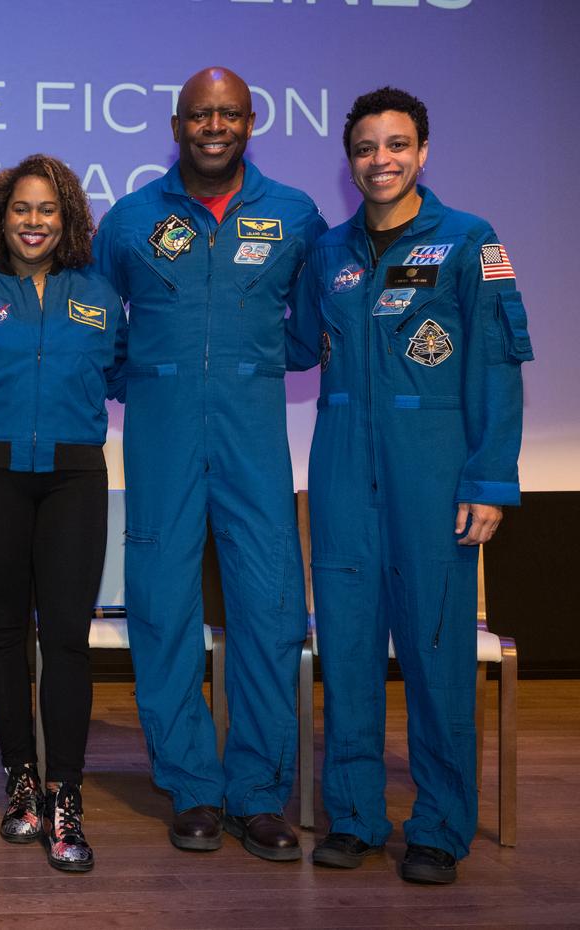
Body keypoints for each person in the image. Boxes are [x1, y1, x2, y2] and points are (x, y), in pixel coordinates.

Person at [287, 87, 533, 884]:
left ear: (422, 152)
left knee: (436, 656)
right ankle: (355, 816)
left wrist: (490, 479)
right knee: (349, 649)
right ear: (349, 160)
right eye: (365, 148)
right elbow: (291, 341)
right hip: (340, 469)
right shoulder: (328, 252)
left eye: (396, 145)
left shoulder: (469, 241)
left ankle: (439, 826)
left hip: (433, 473)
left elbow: (498, 366)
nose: (380, 160)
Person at [93, 66, 326, 861]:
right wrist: (148, 377)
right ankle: (192, 785)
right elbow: (99, 321)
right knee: (162, 608)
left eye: (228, 114)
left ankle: (259, 795)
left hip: (253, 432)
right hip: (160, 435)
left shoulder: (294, 213)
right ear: (177, 122)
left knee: (269, 607)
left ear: (252, 121)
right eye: (200, 114)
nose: (214, 126)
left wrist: (256, 364)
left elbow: (311, 326)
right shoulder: (129, 219)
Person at [0, 155, 123, 872]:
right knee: (5, 635)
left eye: (48, 209)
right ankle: (21, 781)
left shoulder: (101, 297)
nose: (34, 221)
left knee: (68, 639)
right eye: (21, 208)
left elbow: (118, 374)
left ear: (68, 218)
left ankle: (65, 793)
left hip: (75, 479)